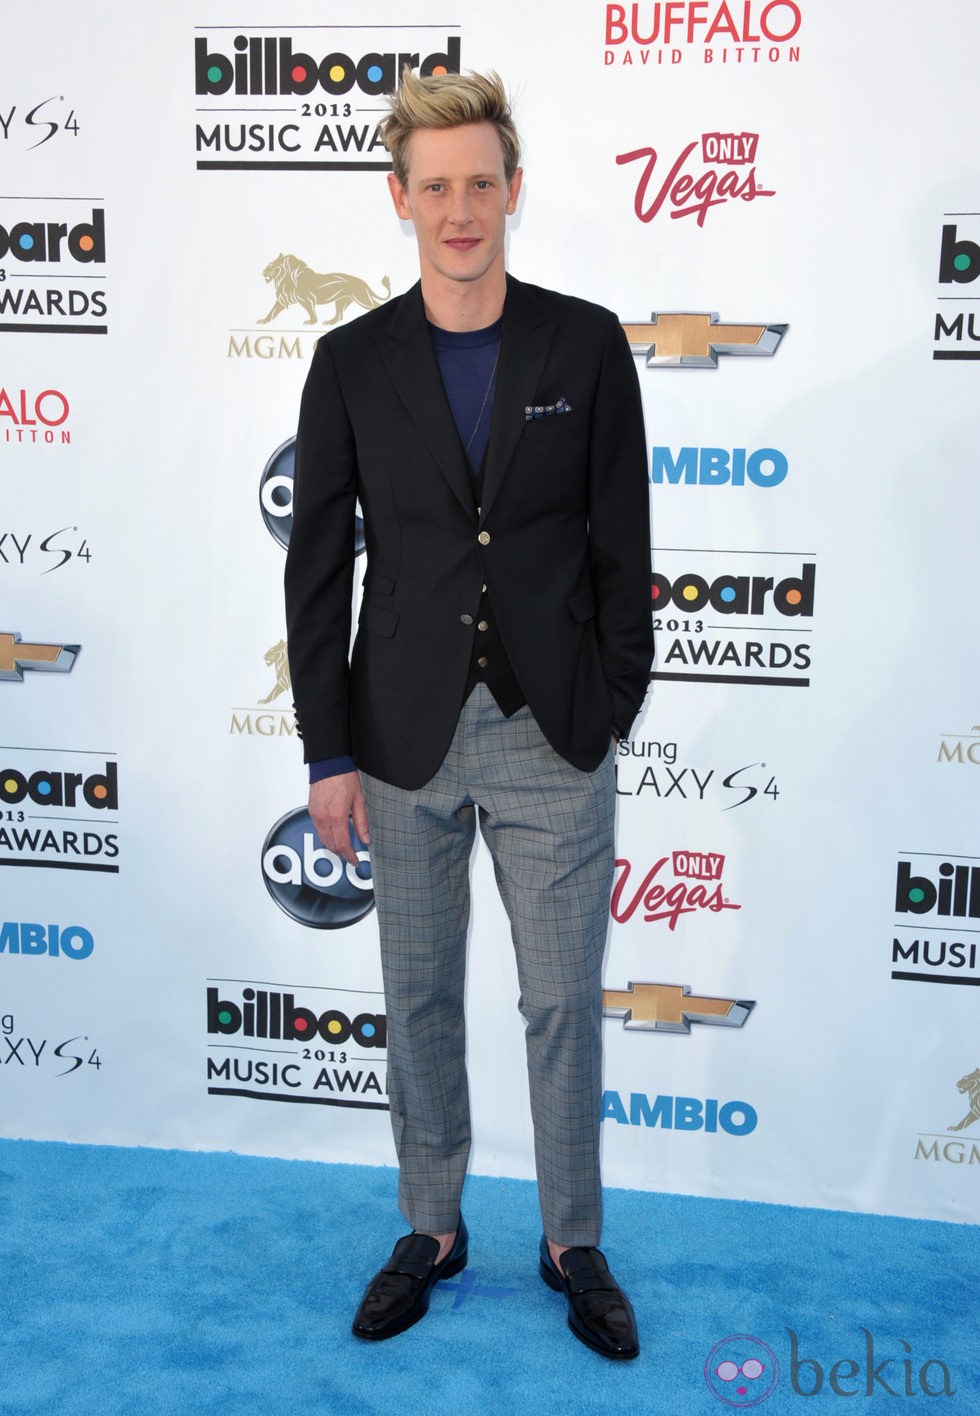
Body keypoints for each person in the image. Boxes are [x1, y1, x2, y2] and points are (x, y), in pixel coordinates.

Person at [284, 68, 653, 1360]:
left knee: (563, 1002)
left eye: (478, 184)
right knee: (419, 992)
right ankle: (432, 1226)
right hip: (402, 736)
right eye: (433, 187)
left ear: (513, 191)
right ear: (400, 198)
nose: (458, 209)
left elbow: (625, 545)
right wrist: (328, 752)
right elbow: (317, 566)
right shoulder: (348, 362)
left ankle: (572, 1240)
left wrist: (608, 707)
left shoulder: (586, 344)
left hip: (557, 731)